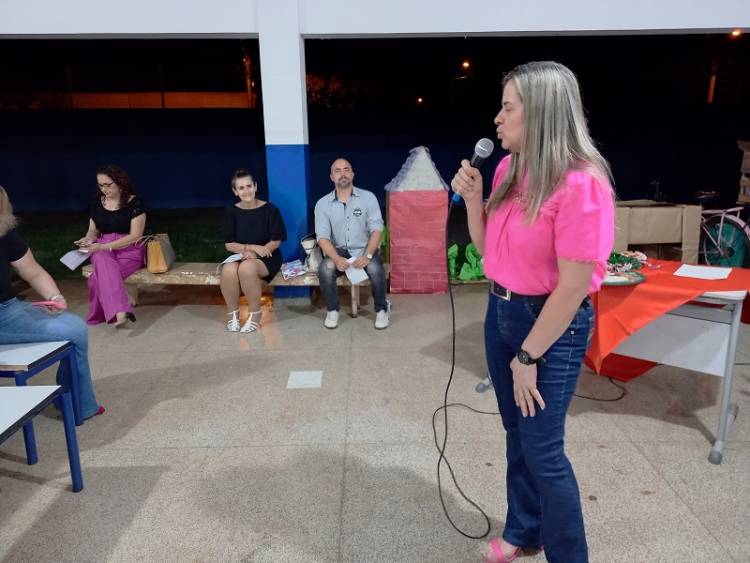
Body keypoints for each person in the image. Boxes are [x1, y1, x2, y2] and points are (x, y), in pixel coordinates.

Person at [451, 61, 615, 563]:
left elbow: (570, 289)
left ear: (540, 112)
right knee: (516, 433)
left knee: (544, 452)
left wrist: (527, 357)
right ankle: (525, 530)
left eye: (508, 107)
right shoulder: (507, 168)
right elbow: (488, 253)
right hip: (500, 312)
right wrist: (475, 201)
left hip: (550, 327)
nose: (497, 119)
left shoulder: (582, 185)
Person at [0, 185, 103, 419]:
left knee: (74, 329)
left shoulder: (5, 235)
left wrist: (55, 296)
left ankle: (77, 403)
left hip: (7, 312)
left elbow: (33, 272)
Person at [314, 158, 389, 329]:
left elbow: (377, 230)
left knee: (376, 269)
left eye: (346, 169)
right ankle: (332, 310)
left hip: (364, 248)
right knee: (325, 268)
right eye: (338, 171)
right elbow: (323, 237)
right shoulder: (322, 204)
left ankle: (382, 310)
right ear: (332, 176)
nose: (342, 174)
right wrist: (336, 258)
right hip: (338, 251)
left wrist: (368, 255)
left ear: (352, 174)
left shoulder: (368, 198)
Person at [75, 165, 146, 328]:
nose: (104, 189)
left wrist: (103, 247)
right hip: (103, 248)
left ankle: (112, 312)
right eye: (101, 185)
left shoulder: (134, 202)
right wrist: (87, 240)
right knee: (100, 257)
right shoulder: (96, 202)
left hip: (129, 249)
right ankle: (120, 309)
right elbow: (93, 231)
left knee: (95, 279)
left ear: (120, 182)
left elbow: (136, 236)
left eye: (108, 184)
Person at [220, 169, 287, 333]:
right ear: (235, 191)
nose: (246, 191)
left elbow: (276, 241)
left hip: (267, 257)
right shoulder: (231, 212)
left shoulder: (271, 210)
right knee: (228, 270)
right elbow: (229, 244)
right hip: (241, 254)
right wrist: (250, 248)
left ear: (255, 187)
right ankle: (233, 316)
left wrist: (256, 253)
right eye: (241, 188)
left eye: (249, 186)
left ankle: (255, 314)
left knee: (247, 267)